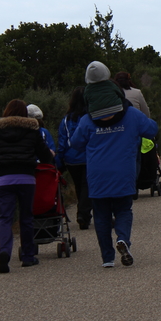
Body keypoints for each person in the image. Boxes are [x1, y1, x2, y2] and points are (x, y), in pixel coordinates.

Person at [72, 61, 159, 268]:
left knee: (101, 215)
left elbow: (75, 144)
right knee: (123, 210)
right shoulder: (130, 114)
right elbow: (152, 129)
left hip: (97, 175)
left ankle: (107, 258)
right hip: (123, 172)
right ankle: (123, 240)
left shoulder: (87, 120)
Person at [0, 99, 53, 273]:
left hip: (3, 179)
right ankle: (28, 257)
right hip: (26, 178)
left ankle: (4, 252)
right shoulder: (32, 131)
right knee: (26, 217)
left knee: (5, 218)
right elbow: (45, 156)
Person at [56, 87, 92, 230]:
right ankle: (83, 214)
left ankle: (84, 212)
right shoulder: (89, 118)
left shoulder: (66, 120)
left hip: (71, 159)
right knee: (87, 186)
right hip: (88, 157)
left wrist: (61, 159)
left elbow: (62, 140)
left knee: (79, 185)